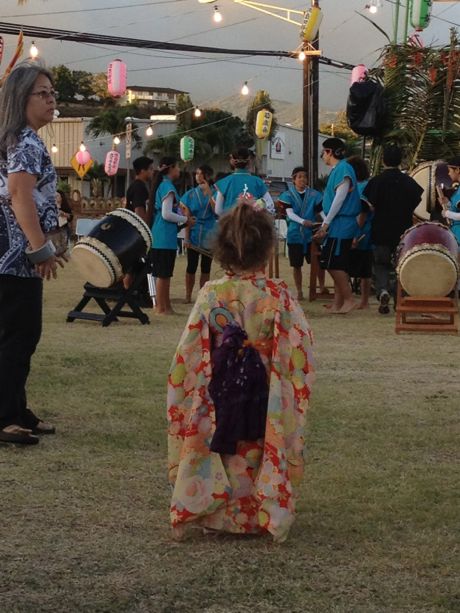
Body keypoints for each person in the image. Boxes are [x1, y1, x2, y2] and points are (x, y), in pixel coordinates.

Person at [167, 198, 314, 542]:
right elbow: (300, 348)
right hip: (266, 385)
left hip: (219, 382)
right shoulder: (277, 294)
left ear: (222, 251)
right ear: (266, 250)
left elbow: (187, 352)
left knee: (223, 441)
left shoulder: (211, 294)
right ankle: (258, 510)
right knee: (258, 442)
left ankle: (219, 511)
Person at [0, 60, 66, 446]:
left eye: (52, 92)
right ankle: (7, 416)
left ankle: (16, 408)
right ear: (21, 98)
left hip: (12, 255)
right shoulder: (24, 142)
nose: (51, 99)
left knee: (18, 335)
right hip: (14, 257)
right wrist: (40, 249)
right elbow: (20, 196)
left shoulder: (19, 139)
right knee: (19, 336)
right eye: (43, 93)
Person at [363, 145, 423, 313]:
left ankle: (382, 290)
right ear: (400, 161)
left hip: (381, 229)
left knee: (381, 264)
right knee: (401, 266)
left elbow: (369, 206)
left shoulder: (376, 181)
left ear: (383, 160)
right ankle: (399, 298)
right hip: (404, 231)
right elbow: (416, 200)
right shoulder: (409, 182)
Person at [314, 137, 361, 314]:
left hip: (342, 222)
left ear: (329, 152)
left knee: (334, 263)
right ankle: (338, 303)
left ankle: (349, 299)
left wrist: (325, 224)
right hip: (337, 222)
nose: (323, 156)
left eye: (324, 152)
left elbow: (339, 199)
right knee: (335, 262)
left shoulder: (343, 169)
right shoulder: (338, 170)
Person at [151, 156, 193, 315]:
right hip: (164, 235)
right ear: (171, 168)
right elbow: (166, 214)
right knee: (163, 274)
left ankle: (164, 305)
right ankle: (162, 307)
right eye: (177, 167)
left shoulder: (161, 185)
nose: (179, 170)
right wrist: (185, 219)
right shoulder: (167, 186)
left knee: (164, 273)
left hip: (160, 234)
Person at [277, 166, 324, 300]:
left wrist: (326, 224)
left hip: (311, 235)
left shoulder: (315, 195)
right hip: (295, 234)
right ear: (293, 179)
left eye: (305, 176)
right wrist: (303, 222)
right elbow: (289, 214)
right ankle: (299, 291)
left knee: (318, 263)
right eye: (299, 177)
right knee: (296, 265)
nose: (303, 179)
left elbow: (321, 212)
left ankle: (320, 287)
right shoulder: (287, 195)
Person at [180, 165, 217, 303]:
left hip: (209, 233)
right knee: (191, 266)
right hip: (194, 232)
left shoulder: (215, 192)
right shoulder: (190, 194)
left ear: (206, 175)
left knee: (206, 267)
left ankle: (202, 296)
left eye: (199, 173)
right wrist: (187, 237)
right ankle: (188, 295)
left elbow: (216, 212)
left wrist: (209, 194)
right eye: (196, 173)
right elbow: (187, 216)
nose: (197, 176)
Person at [215, 146, 275, 215]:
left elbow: (218, 211)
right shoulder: (258, 181)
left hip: (232, 223)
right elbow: (270, 205)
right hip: (253, 224)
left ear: (232, 161)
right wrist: (254, 205)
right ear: (249, 161)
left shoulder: (224, 182)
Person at [347, 156, 372, 309]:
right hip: (367, 231)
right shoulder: (367, 185)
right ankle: (364, 300)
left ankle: (360, 300)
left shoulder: (359, 188)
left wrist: (354, 234)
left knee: (356, 268)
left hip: (358, 231)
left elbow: (362, 213)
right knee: (365, 270)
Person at [440, 156, 460, 253]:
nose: (448, 173)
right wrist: (447, 203)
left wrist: (447, 214)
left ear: (457, 170)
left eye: (450, 170)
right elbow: (456, 208)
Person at [126, 156, 154, 224]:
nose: (153, 172)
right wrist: (145, 229)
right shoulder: (139, 187)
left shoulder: (135, 185)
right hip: (137, 229)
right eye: (150, 169)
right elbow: (139, 210)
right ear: (142, 171)